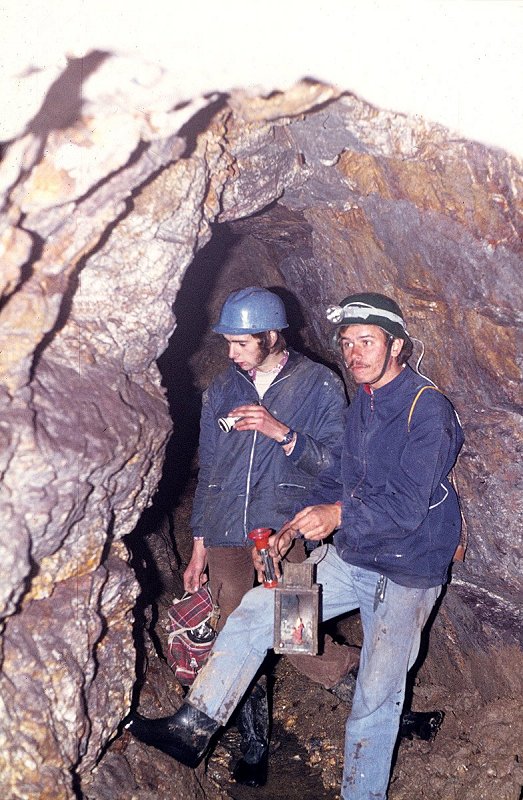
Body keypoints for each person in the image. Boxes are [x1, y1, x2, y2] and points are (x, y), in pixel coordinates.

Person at [126, 292, 464, 800]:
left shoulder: (425, 410)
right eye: (348, 343)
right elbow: (340, 479)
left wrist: (335, 512)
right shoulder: (363, 403)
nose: (355, 354)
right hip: (349, 556)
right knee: (254, 616)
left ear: (397, 345)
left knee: (373, 696)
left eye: (367, 342)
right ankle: (192, 729)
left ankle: (361, 792)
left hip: (406, 569)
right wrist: (295, 526)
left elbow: (407, 506)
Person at [177, 286, 359, 784]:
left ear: (271, 336)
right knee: (234, 632)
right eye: (229, 343)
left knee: (295, 633)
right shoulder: (221, 389)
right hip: (226, 538)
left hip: (288, 532)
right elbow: (210, 470)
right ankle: (254, 746)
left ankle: (386, 702)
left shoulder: (318, 385)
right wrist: (199, 545)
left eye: (240, 343)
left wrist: (282, 432)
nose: (231, 354)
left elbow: (338, 465)